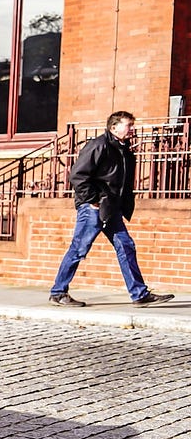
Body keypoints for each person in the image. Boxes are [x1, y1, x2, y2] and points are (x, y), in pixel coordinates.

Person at [49, 111, 174, 307]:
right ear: (113, 127)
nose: (132, 129)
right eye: (128, 125)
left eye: (132, 125)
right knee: (79, 248)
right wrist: (93, 199)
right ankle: (58, 292)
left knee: (126, 246)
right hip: (93, 207)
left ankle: (139, 294)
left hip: (112, 208)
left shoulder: (123, 150)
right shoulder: (99, 145)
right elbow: (77, 175)